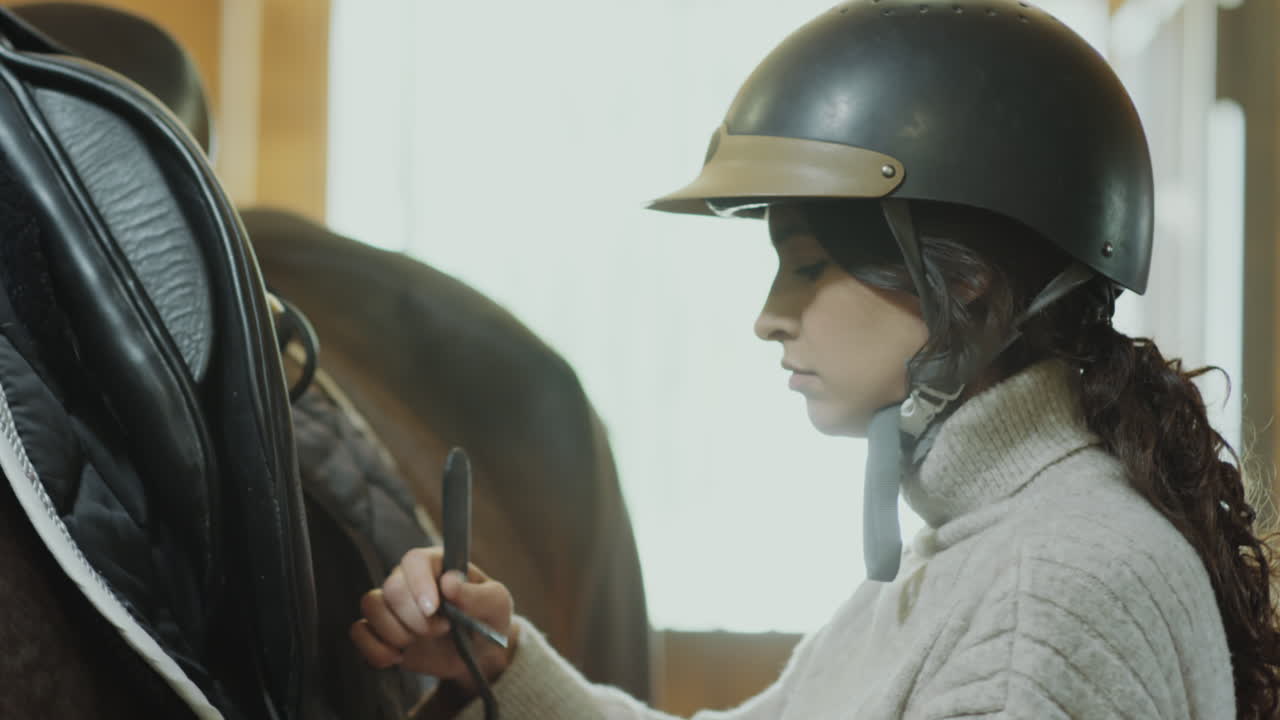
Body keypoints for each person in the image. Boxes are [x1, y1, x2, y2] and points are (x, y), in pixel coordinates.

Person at [349, 1, 1280, 717]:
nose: (769, 318)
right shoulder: (985, 552)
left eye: (806, 268)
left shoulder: (1047, 591)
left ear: (963, 284)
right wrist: (503, 661)